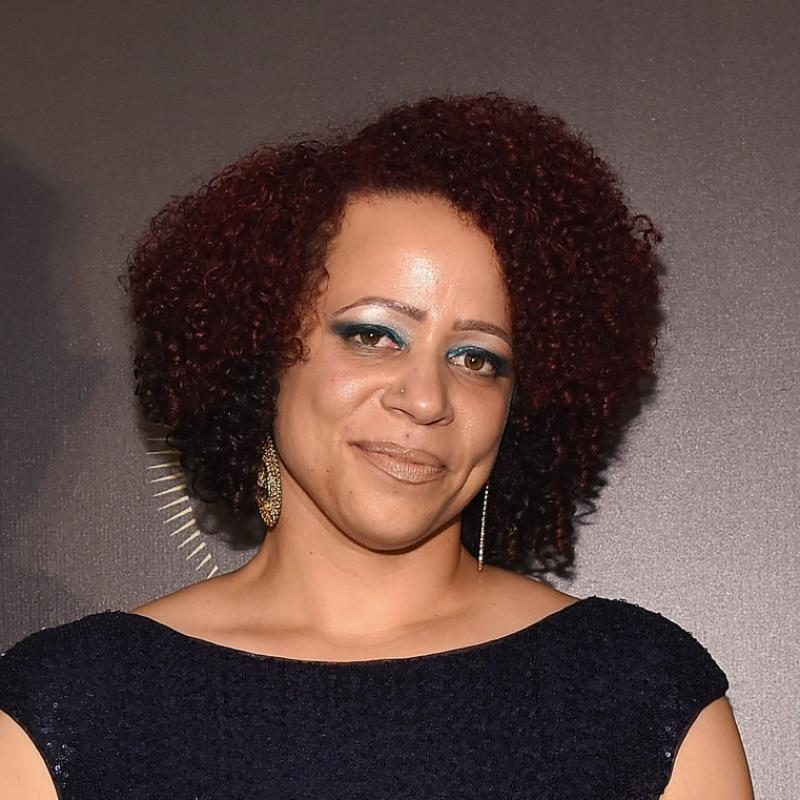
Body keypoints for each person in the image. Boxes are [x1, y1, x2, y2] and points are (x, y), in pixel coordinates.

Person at [0, 93, 753, 799]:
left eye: (477, 358)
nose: (426, 398)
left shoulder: (638, 696)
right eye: (371, 335)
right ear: (262, 351)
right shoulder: (68, 710)